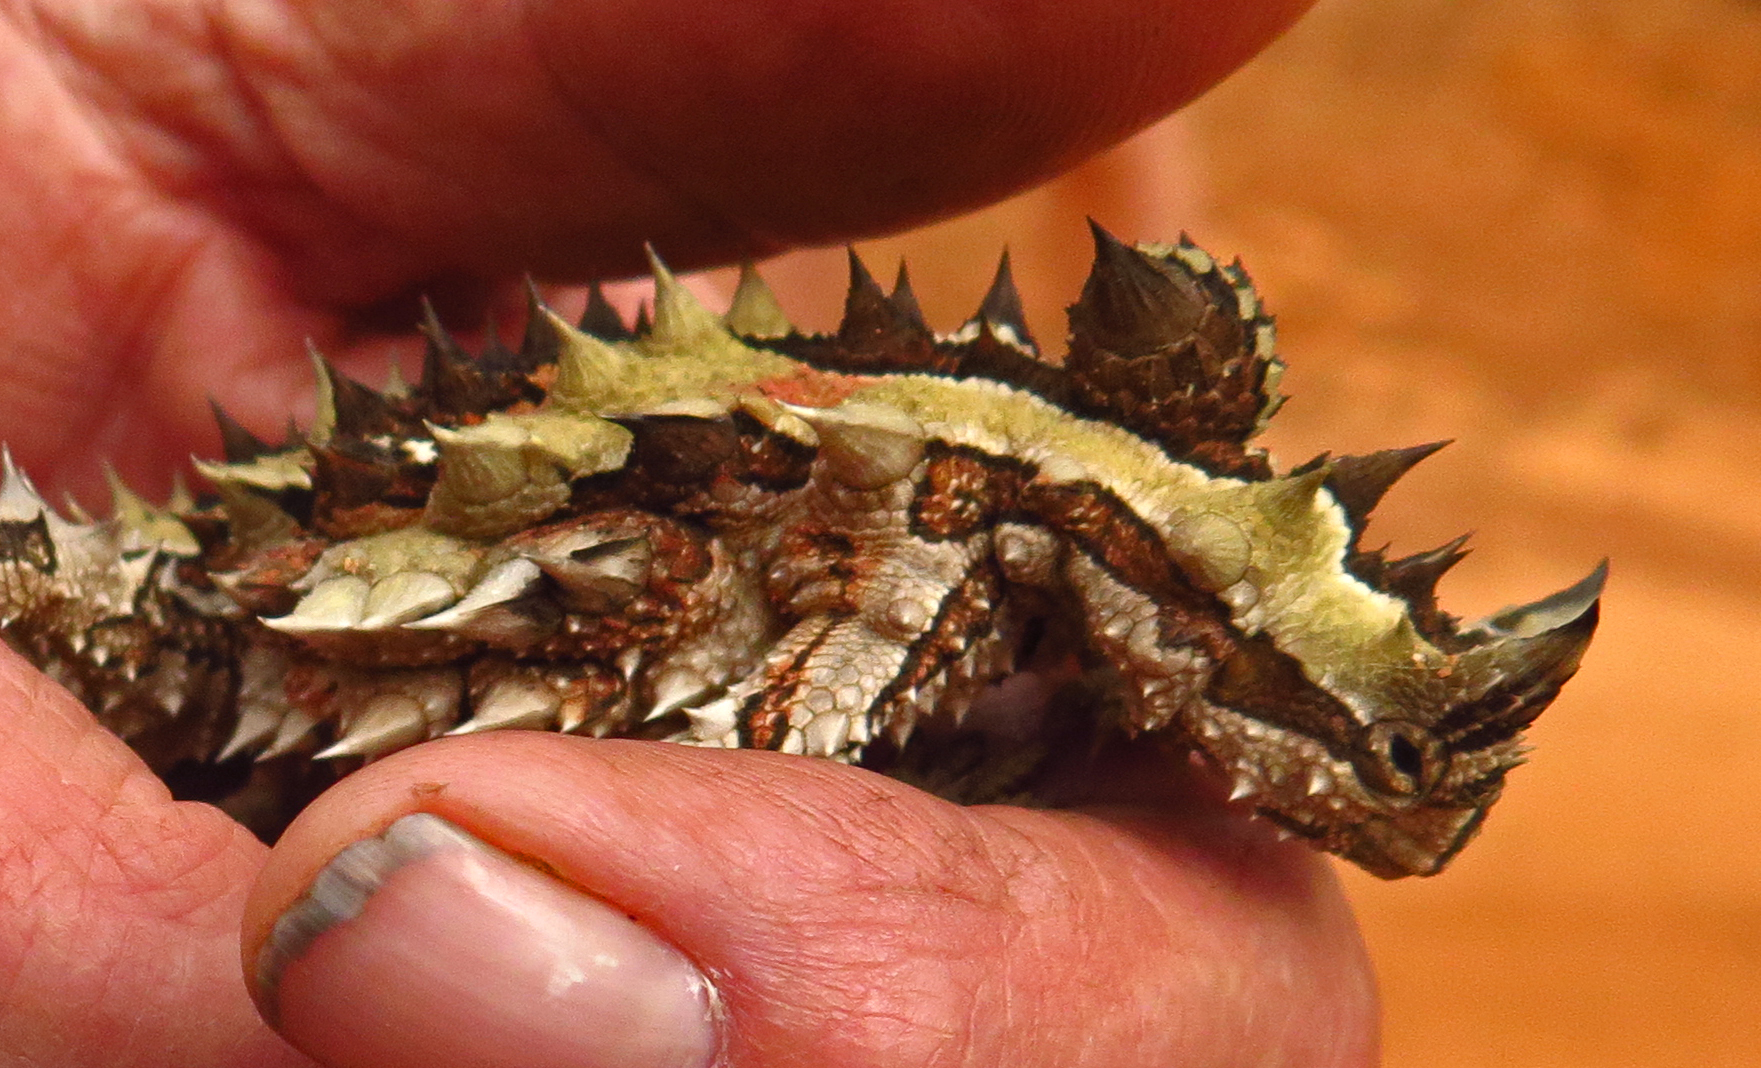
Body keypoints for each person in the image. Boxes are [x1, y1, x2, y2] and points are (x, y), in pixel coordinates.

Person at [0, 1, 1377, 1064]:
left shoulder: (1026, 591)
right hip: (235, 610)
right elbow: (792, 742)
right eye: (1369, 753)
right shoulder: (963, 552)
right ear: (1227, 648)